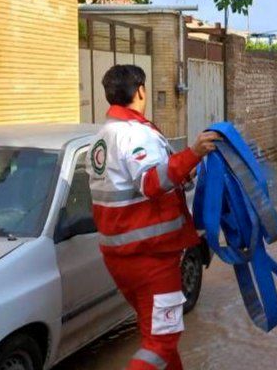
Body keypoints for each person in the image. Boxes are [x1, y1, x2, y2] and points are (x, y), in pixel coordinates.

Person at [88, 65, 219, 370]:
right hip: (152, 257)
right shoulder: (134, 134)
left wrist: (186, 169)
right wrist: (194, 153)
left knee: (158, 334)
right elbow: (151, 182)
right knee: (161, 342)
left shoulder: (102, 137)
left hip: (121, 257)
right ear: (141, 91)